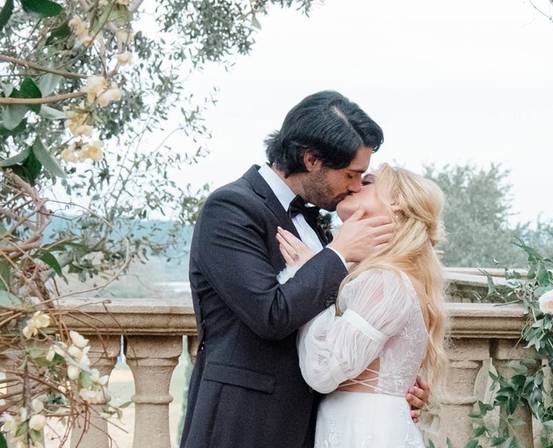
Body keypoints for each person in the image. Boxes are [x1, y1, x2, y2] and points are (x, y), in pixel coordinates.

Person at [180, 91, 430, 448]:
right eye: (351, 174)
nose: (357, 186)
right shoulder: (232, 208)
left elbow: (346, 320)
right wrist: (337, 254)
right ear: (311, 159)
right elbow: (271, 314)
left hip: (315, 423)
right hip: (244, 423)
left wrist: (387, 385)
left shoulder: (321, 224)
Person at [276, 164, 447, 448]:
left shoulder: (385, 281)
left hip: (362, 430)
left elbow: (323, 371)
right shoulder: (398, 277)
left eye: (366, 182)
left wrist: (306, 276)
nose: (354, 186)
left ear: (397, 204)